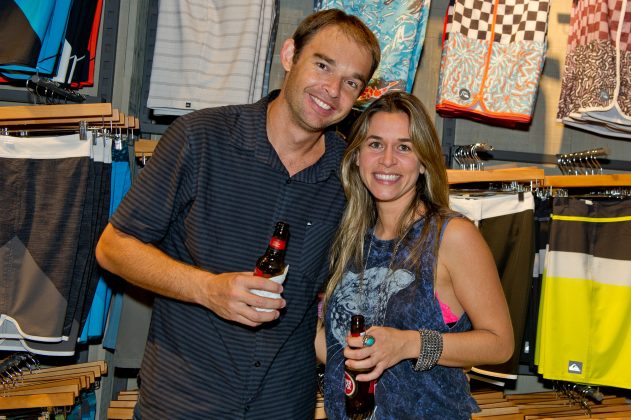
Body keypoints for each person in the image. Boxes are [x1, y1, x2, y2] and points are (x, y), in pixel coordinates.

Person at [95, 9, 380, 419]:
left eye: (351, 82)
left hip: (283, 405)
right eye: (322, 65)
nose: (332, 90)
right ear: (289, 55)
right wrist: (207, 289)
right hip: (183, 402)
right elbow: (113, 247)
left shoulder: (351, 177)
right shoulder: (199, 138)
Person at [316, 91, 514, 419]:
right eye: (375, 144)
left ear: (423, 162)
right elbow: (338, 349)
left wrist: (410, 343)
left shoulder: (451, 236)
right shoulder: (349, 238)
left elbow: (500, 343)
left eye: (404, 147)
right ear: (357, 156)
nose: (387, 160)